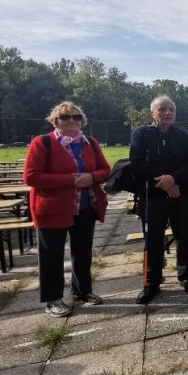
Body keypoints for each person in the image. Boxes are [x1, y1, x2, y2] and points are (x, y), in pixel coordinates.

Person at [24, 102, 111, 317]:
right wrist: (70, 180)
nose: (71, 120)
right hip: (53, 209)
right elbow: (31, 177)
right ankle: (53, 299)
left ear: (82, 120)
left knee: (82, 253)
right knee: (51, 255)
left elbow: (105, 170)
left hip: (85, 206)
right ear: (56, 120)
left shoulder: (90, 143)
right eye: (65, 117)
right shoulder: (42, 143)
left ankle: (83, 291)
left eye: (76, 117)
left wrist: (91, 177)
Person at [131, 96, 188, 304]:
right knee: (152, 240)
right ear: (153, 112)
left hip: (181, 194)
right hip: (153, 195)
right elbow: (137, 163)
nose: (167, 112)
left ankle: (186, 276)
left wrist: (174, 179)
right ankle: (151, 281)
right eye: (162, 109)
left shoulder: (184, 136)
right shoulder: (140, 134)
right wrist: (165, 181)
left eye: (171, 109)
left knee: (184, 237)